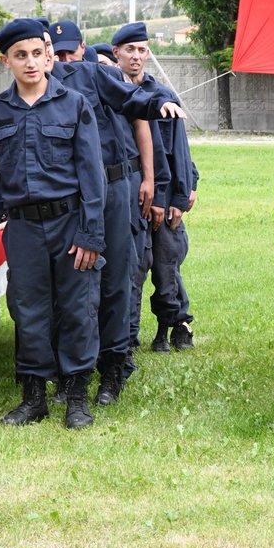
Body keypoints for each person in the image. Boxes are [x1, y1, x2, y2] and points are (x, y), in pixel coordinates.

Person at [0, 18, 106, 430]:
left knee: (77, 310)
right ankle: (33, 398)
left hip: (70, 225)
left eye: (38, 53)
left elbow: (93, 177)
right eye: (21, 56)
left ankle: (76, 398)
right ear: (6, 61)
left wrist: (91, 234)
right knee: (28, 311)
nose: (31, 62)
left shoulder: (74, 105)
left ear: (49, 55)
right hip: (22, 229)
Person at [48, 28, 186, 406]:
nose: (63, 62)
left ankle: (113, 369)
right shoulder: (43, 86)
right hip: (74, 194)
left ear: (82, 48)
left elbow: (140, 111)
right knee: (71, 288)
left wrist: (151, 181)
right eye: (55, 55)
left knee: (117, 281)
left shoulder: (101, 75)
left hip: (116, 184)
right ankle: (70, 374)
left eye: (68, 53)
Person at [113, 22, 199, 354]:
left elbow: (179, 149)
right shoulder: (111, 92)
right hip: (129, 195)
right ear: (116, 52)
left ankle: (175, 326)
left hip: (164, 196)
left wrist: (179, 196)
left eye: (142, 50)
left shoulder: (162, 94)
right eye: (129, 50)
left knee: (166, 265)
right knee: (132, 266)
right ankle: (128, 332)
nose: (136, 56)